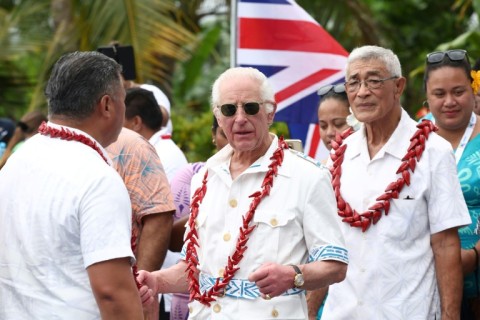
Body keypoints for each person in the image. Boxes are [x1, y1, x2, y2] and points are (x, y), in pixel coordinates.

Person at [136, 66, 348, 319]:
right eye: (228, 109)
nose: (239, 118)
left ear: (270, 112)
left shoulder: (308, 176)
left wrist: (294, 275)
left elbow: (335, 266)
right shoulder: (205, 177)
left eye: (250, 107)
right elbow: (194, 270)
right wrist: (156, 281)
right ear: (218, 115)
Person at [321, 45, 472, 320]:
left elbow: (446, 245)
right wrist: (310, 308)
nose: (363, 91)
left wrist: (451, 316)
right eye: (354, 82)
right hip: (342, 312)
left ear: (398, 86)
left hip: (408, 312)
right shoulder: (338, 156)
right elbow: (324, 241)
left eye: (374, 81)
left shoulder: (433, 151)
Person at [0, 51, 143, 319]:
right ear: (107, 105)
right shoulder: (97, 178)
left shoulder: (16, 162)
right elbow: (111, 291)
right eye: (124, 100)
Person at [423, 49, 480, 319]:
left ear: (473, 89)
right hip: (424, 282)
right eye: (439, 94)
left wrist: (475, 256)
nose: (449, 102)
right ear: (427, 96)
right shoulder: (410, 138)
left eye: (458, 91)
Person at [106, 127, 176, 320]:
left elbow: (158, 216)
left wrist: (139, 293)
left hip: (118, 297)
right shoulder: (37, 149)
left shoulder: (131, 146)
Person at [169, 116, 228, 320]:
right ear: (213, 136)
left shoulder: (272, 179)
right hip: (191, 298)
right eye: (223, 134)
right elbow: (173, 241)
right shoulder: (193, 175)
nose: (232, 141)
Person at [308, 83, 357, 319]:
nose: (329, 132)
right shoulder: (323, 167)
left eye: (338, 124)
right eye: (323, 125)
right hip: (330, 284)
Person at [123, 87, 188, 181]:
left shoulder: (157, 157)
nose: (117, 128)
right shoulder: (158, 149)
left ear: (136, 122)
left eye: (120, 121)